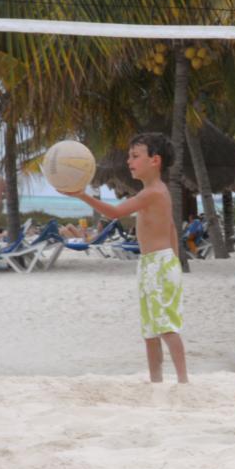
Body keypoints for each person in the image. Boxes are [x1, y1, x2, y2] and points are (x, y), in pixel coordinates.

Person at [63, 133, 188, 384]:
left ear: (155, 161)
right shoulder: (152, 192)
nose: (129, 161)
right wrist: (174, 260)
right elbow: (172, 228)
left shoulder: (154, 192)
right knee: (150, 330)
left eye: (135, 156)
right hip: (151, 264)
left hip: (160, 264)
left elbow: (115, 212)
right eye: (129, 156)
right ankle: (156, 381)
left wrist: (82, 195)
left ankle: (183, 380)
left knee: (166, 326)